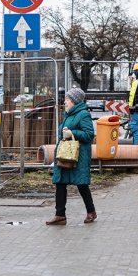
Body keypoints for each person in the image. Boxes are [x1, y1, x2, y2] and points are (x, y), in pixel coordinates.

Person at [46, 87, 97, 225]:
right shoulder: (68, 114)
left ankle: (91, 211)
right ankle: (60, 215)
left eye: (67, 99)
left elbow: (89, 135)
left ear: (75, 101)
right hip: (65, 154)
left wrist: (72, 133)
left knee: (81, 184)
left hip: (78, 155)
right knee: (60, 182)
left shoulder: (83, 114)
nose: (65, 102)